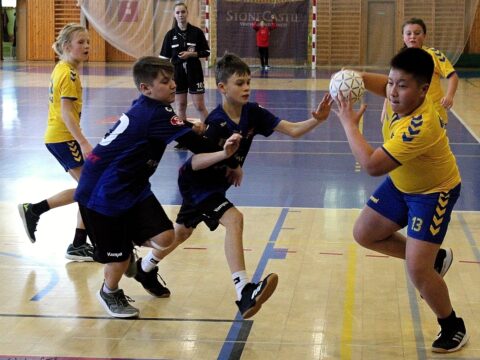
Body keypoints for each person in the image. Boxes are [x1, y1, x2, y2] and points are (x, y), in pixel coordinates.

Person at [151, 53, 333, 319]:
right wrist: (228, 158)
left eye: (248, 81)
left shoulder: (253, 113)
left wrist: (319, 119)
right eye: (239, 83)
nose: (247, 87)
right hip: (196, 182)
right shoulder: (215, 122)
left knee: (182, 233)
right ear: (223, 88)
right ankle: (244, 290)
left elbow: (292, 130)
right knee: (234, 219)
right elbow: (197, 162)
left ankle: (145, 267)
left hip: (216, 183)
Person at [74, 56, 242, 318]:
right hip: (102, 194)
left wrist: (188, 126)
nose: (174, 85)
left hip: (132, 187)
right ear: (146, 89)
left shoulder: (150, 109)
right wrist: (228, 154)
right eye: (165, 82)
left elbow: (164, 130)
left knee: (166, 237)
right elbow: (195, 145)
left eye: (173, 79)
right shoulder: (157, 113)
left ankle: (128, 251)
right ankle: (110, 291)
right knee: (117, 260)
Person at [333, 47, 468, 353]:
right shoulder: (401, 94)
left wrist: (349, 123)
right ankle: (433, 258)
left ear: (424, 90)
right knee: (364, 233)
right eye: (391, 82)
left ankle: (452, 325)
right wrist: (348, 77)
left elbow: (370, 165)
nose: (392, 91)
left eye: (402, 85)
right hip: (401, 183)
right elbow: (377, 82)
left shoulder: (420, 126)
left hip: (433, 193)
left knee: (417, 271)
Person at [18, 23, 94, 262]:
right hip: (63, 137)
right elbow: (66, 112)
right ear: (66, 46)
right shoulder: (68, 73)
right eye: (80, 42)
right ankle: (35, 210)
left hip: (59, 137)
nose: (86, 46)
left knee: (89, 189)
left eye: (88, 42)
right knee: (90, 188)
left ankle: (78, 243)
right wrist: (82, 141)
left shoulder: (62, 68)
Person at [402, 17, 458, 126]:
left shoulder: (433, 54)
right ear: (403, 37)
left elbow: (453, 76)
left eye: (417, 33)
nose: (412, 36)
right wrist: (386, 106)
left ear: (424, 36)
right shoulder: (401, 59)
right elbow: (392, 84)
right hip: (410, 113)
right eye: (408, 33)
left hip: (434, 112)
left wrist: (450, 96)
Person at [159, 1, 209, 124]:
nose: (180, 14)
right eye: (178, 12)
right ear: (174, 15)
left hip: (195, 72)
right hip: (177, 74)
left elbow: (206, 52)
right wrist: (166, 76)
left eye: (183, 12)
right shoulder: (170, 35)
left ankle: (210, 134)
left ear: (187, 13)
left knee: (199, 106)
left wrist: (191, 54)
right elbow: (164, 59)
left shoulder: (196, 32)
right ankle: (184, 137)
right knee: (180, 106)